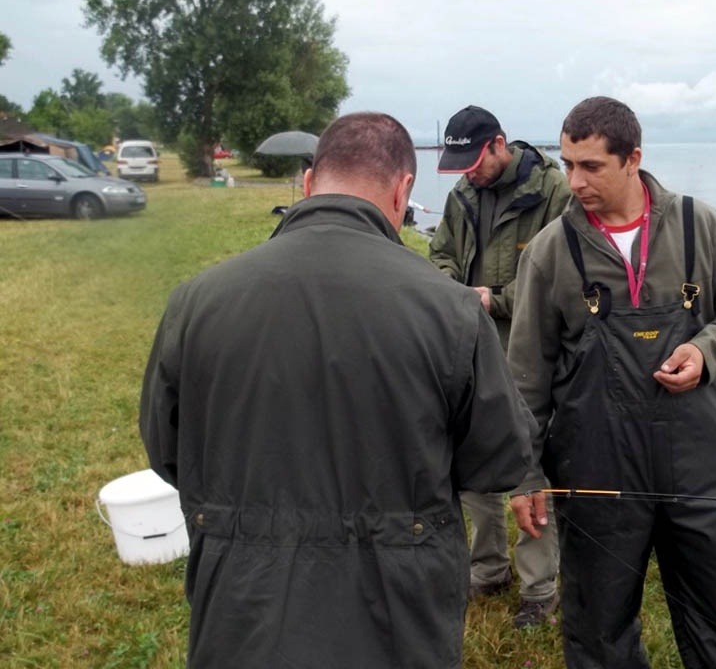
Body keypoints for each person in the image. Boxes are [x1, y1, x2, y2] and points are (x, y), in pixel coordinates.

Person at [139, 112, 535, 669]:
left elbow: (166, 449)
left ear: (307, 184)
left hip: (240, 610)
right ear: (403, 192)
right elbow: (498, 459)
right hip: (396, 616)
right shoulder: (451, 311)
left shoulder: (196, 301)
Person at [508, 96, 716, 667]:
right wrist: (523, 473)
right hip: (597, 470)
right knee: (599, 631)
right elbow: (526, 379)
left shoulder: (699, 226)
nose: (575, 181)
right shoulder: (549, 252)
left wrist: (706, 351)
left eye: (591, 167)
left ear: (633, 159)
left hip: (703, 461)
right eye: (566, 164)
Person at [429, 104, 570, 627]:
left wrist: (499, 299)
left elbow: (564, 274)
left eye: (473, 159)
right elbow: (440, 252)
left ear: (498, 143)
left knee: (529, 468)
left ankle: (540, 588)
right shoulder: (460, 195)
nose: (467, 171)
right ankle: (487, 569)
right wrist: (451, 289)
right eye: (457, 162)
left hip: (529, 350)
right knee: (472, 465)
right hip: (468, 348)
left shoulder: (554, 191)